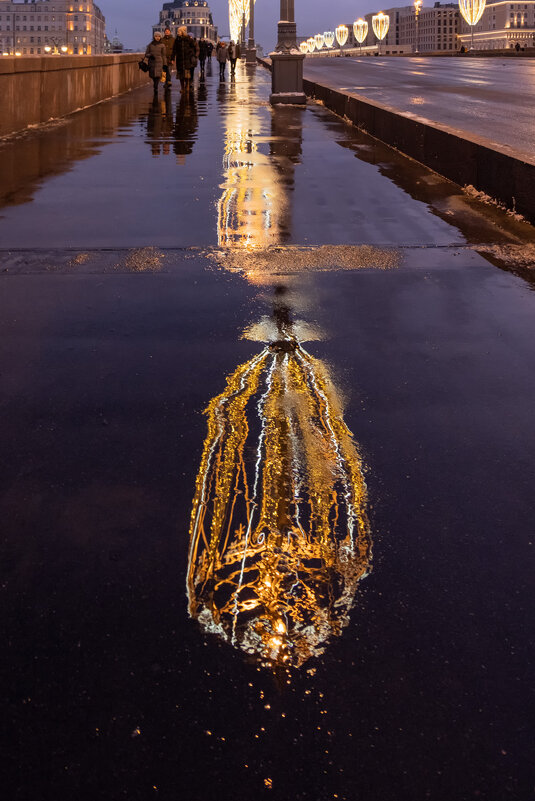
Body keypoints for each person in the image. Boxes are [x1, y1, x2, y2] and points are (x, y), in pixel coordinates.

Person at [173, 25, 196, 92]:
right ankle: (182, 87)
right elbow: (174, 49)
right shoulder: (177, 40)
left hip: (187, 59)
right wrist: (172, 58)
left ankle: (187, 86)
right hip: (179, 59)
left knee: (187, 75)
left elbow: (193, 47)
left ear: (182, 32)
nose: (178, 33)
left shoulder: (188, 39)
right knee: (181, 75)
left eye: (179, 31)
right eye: (178, 31)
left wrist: (191, 54)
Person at [144, 31, 166, 97]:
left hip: (159, 62)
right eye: (156, 36)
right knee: (153, 75)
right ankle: (155, 85)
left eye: (159, 36)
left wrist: (165, 64)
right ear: (154, 37)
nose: (157, 38)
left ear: (160, 37)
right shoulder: (150, 45)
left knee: (158, 76)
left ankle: (155, 87)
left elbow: (164, 55)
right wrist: (150, 55)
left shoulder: (162, 45)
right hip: (152, 63)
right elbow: (146, 54)